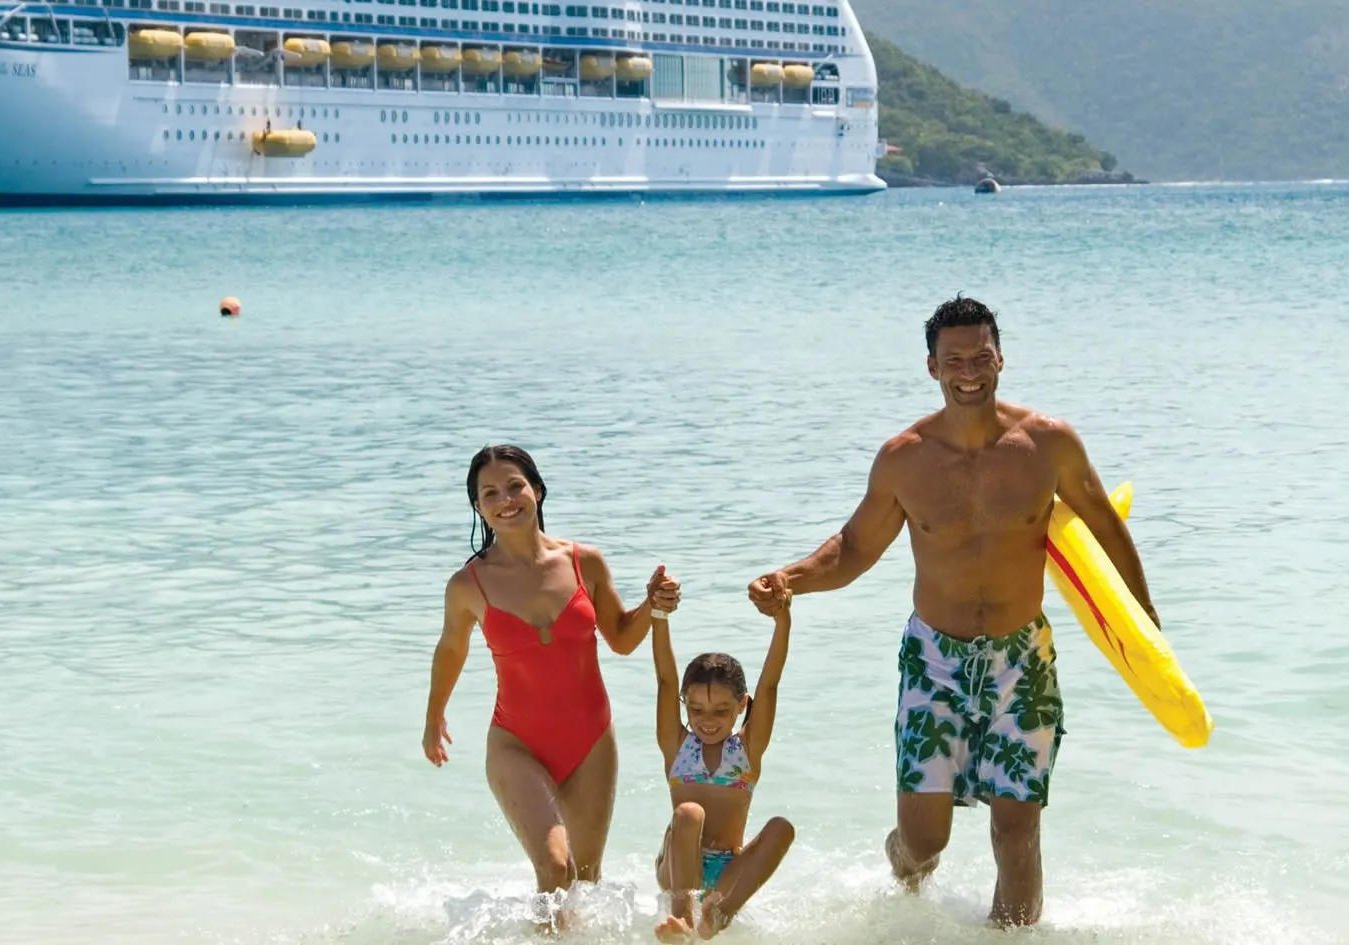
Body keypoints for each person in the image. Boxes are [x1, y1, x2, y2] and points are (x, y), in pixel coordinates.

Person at [745, 296, 1158, 928]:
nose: (970, 371)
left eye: (981, 356)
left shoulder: (1048, 444)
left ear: (1001, 358)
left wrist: (1147, 629)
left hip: (1023, 660)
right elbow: (854, 549)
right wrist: (789, 579)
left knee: (1017, 831)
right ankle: (900, 868)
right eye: (954, 359)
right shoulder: (905, 457)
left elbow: (1104, 527)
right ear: (932, 367)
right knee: (924, 844)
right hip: (934, 660)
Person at [422, 444, 682, 929]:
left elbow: (622, 638)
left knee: (585, 882)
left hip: (591, 742)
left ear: (537, 490)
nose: (506, 499)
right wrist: (434, 716)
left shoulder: (585, 562)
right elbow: (451, 650)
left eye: (515, 485)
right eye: (490, 493)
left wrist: (653, 604)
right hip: (516, 742)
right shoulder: (468, 585)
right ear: (478, 507)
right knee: (554, 868)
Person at [648, 584, 796, 941]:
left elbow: (770, 685)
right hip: (678, 866)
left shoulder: (747, 750)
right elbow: (666, 680)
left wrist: (782, 622)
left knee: (781, 828)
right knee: (689, 813)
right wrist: (659, 615)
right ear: (685, 705)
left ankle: (718, 915)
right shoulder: (677, 745)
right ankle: (681, 915)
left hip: (728, 870)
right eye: (696, 709)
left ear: (742, 706)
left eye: (721, 710)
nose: (707, 720)